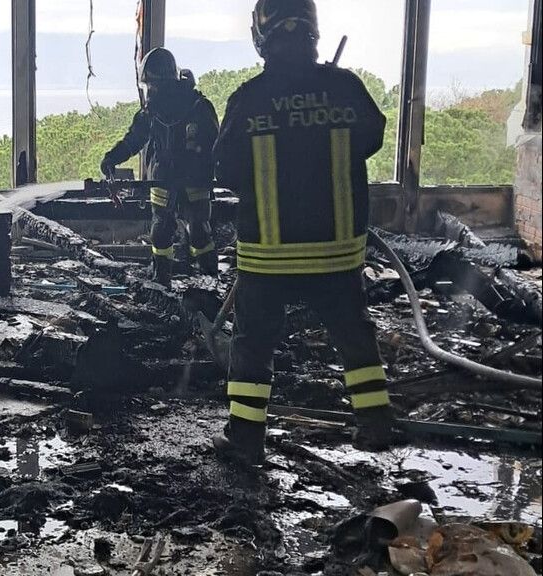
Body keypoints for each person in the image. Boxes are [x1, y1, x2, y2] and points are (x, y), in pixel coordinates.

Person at [211, 0, 395, 465]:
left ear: (261, 37)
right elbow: (372, 136)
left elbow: (225, 167)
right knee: (354, 333)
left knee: (253, 344)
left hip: (267, 254)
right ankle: (375, 423)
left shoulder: (249, 98)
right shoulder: (345, 87)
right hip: (337, 252)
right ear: (313, 32)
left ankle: (246, 438)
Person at [100, 47, 220, 285]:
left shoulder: (198, 107)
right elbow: (134, 139)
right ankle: (161, 279)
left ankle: (210, 280)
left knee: (199, 231)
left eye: (152, 86)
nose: (150, 91)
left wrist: (212, 170)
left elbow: (216, 144)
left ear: (162, 83)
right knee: (161, 231)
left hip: (194, 179)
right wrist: (111, 158)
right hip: (163, 178)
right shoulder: (152, 112)